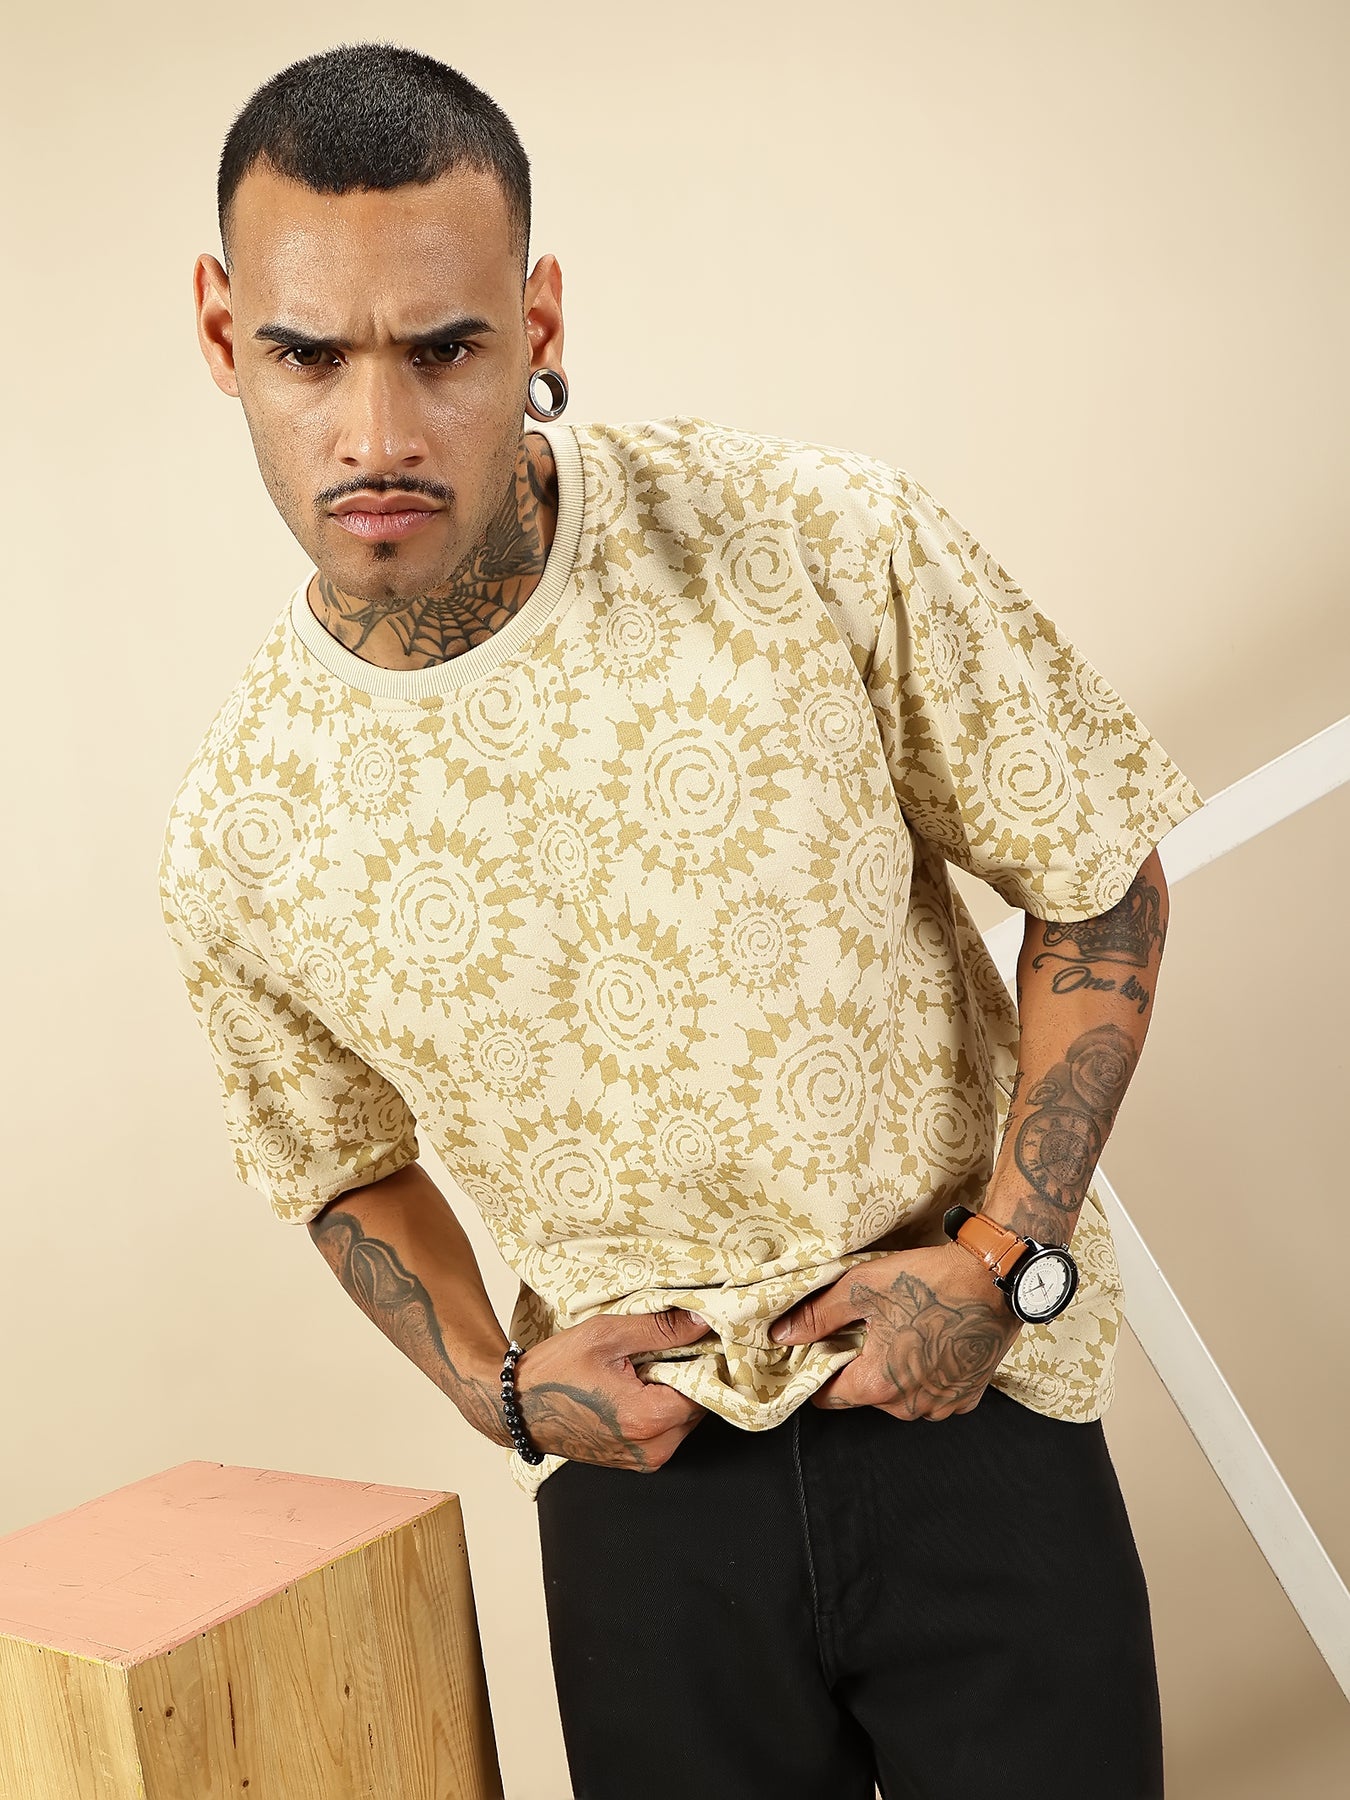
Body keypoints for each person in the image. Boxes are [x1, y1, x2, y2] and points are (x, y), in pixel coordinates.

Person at [159, 40, 1204, 1800]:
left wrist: (1002, 1262)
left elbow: (1093, 870)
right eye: (307, 353)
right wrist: (499, 1392)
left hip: (965, 1400)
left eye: (445, 349)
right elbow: (336, 1162)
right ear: (220, 332)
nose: (377, 433)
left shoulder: (815, 538)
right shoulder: (238, 826)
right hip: (642, 1501)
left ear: (538, 320)